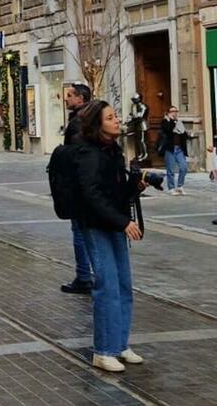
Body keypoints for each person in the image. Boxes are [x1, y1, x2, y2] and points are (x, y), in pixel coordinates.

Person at [72, 99, 145, 373]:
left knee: (124, 285)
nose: (117, 121)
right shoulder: (88, 154)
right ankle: (103, 351)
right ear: (97, 125)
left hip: (115, 224)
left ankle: (120, 344)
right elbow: (91, 196)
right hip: (96, 225)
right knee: (107, 287)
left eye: (116, 116)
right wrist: (122, 221)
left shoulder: (113, 151)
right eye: (111, 117)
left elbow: (116, 194)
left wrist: (135, 185)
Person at [61, 83, 95, 295]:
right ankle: (89, 275)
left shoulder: (78, 122)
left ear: (81, 99)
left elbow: (75, 154)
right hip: (88, 183)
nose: (66, 98)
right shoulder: (90, 118)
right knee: (86, 231)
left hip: (81, 185)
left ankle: (84, 276)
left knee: (81, 232)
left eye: (70, 95)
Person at [158, 107, 189, 195]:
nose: (174, 113)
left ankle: (180, 186)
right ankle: (171, 188)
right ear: (168, 113)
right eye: (172, 111)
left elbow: (184, 135)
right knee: (170, 169)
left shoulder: (179, 123)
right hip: (170, 149)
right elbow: (168, 130)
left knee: (183, 167)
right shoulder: (165, 122)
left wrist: (182, 131)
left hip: (179, 149)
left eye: (176, 111)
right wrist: (171, 120)